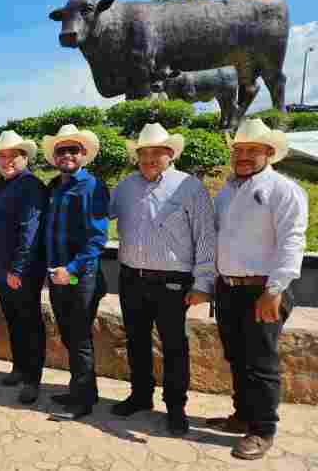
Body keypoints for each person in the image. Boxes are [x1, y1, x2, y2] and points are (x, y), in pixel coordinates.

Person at [206, 119, 307, 460]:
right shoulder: (227, 192)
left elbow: (292, 242)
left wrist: (275, 289)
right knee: (237, 356)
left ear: (269, 152)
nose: (244, 156)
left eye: (252, 150)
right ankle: (242, 415)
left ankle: (263, 429)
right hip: (229, 289)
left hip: (263, 290)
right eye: (239, 150)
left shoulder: (284, 190)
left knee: (261, 362)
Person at [109, 123, 216, 435]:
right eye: (144, 153)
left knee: (174, 347)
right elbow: (98, 211)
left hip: (172, 282)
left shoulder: (190, 187)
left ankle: (175, 407)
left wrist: (202, 283)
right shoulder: (126, 186)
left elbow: (206, 237)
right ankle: (141, 396)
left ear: (171, 154)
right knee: (136, 341)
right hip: (131, 278)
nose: (149, 159)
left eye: (157, 153)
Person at [42, 125, 109, 420]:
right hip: (58, 274)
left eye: (73, 150)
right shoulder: (55, 186)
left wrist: (68, 269)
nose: (67, 155)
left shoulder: (93, 187)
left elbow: (96, 239)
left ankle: (83, 401)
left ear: (83, 154)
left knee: (79, 336)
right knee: (69, 334)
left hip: (79, 275)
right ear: (55, 156)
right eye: (61, 150)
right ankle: (81, 389)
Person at [0, 130, 47, 404]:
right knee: (14, 321)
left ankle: (33, 379)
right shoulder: (0, 185)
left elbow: (29, 232)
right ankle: (20, 368)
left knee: (30, 324)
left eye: (13, 155)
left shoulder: (31, 185)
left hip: (19, 273)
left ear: (25, 158)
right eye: (2, 155)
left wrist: (17, 270)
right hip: (0, 271)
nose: (7, 160)